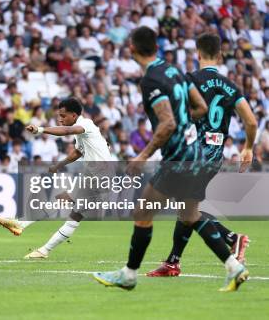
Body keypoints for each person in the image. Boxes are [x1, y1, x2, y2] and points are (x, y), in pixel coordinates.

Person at [93, 27, 248, 292]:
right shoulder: (174, 70)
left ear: (132, 49)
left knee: (143, 211)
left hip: (178, 158)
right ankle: (234, 267)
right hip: (197, 155)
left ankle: (129, 274)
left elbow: (166, 123)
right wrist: (186, 125)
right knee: (190, 215)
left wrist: (142, 155)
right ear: (156, 46)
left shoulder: (151, 79)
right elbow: (200, 107)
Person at [147, 33, 257, 277]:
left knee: (186, 209)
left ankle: (231, 239)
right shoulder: (230, 86)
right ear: (219, 56)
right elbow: (250, 121)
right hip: (214, 157)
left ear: (197, 53)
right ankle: (173, 261)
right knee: (187, 207)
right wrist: (248, 147)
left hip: (191, 154)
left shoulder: (189, 81)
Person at [0, 97, 113, 259]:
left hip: (101, 176)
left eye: (63, 116)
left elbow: (66, 132)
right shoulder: (83, 130)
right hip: (97, 175)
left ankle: (23, 228)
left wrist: (40, 130)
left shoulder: (85, 125)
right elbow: (78, 152)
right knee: (72, 214)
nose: (60, 119)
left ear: (74, 115)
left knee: (66, 205)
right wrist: (59, 165)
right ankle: (40, 247)